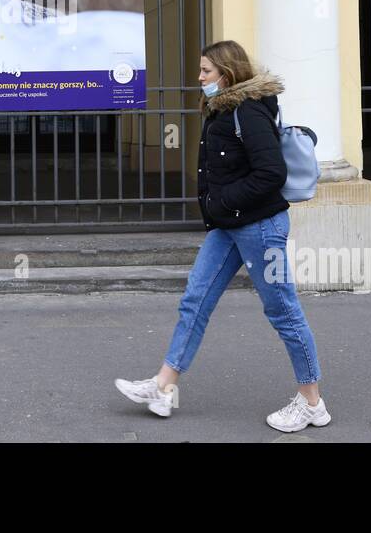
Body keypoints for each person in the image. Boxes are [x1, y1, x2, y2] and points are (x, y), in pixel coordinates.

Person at [114, 40, 330, 432]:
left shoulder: (248, 112)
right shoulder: (223, 109)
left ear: (226, 74)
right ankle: (164, 387)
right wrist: (222, 209)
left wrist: (223, 202)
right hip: (230, 226)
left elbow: (271, 174)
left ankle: (312, 401)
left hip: (260, 228)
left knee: (283, 311)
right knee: (195, 300)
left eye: (205, 71)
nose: (199, 78)